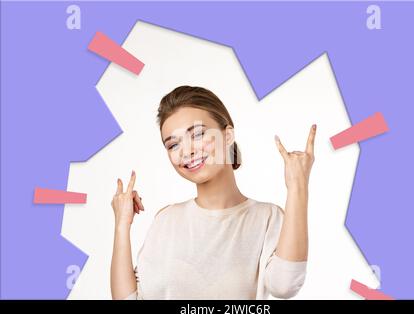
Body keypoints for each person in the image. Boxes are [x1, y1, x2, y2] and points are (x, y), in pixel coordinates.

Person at [110, 85, 316, 299]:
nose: (187, 151)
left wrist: (298, 186)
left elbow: (285, 286)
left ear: (227, 136)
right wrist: (121, 226)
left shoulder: (267, 218)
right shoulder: (166, 220)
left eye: (198, 134)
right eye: (173, 145)